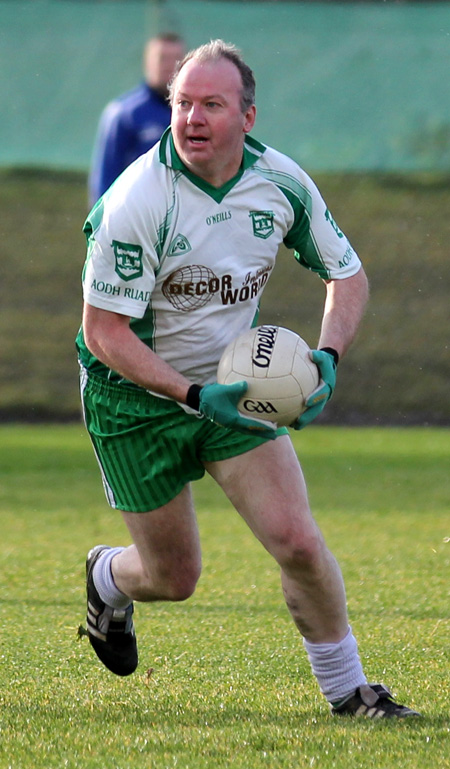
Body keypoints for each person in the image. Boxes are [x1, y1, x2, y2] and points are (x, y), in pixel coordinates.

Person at [77, 39, 420, 719]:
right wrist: (194, 394)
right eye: (182, 103)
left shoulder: (280, 182)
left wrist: (327, 356)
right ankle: (105, 576)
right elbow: (102, 332)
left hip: (234, 384)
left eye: (212, 103)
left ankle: (350, 693)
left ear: (248, 117)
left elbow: (346, 273)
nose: (193, 117)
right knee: (175, 579)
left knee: (297, 539)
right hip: (132, 399)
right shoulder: (138, 200)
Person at [88, 32, 186, 207]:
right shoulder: (124, 113)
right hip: (139, 217)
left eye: (177, 59)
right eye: (162, 58)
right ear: (148, 62)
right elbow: (105, 177)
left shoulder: (192, 113)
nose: (170, 65)